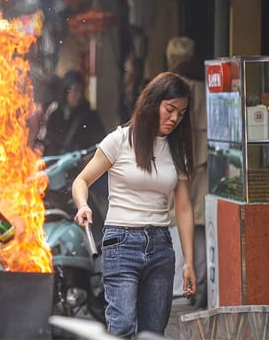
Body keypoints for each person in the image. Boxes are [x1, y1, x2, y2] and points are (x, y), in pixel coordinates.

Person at [71, 72, 197, 337]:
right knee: (123, 326)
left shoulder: (178, 150)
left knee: (153, 331)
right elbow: (81, 180)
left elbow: (184, 208)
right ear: (153, 103)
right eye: (170, 109)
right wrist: (83, 206)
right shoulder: (119, 140)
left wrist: (189, 263)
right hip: (121, 242)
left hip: (161, 245)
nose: (175, 118)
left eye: (181, 114)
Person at [166, 36, 208, 308]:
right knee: (201, 223)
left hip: (181, 163)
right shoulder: (206, 86)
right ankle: (201, 282)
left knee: (176, 218)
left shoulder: (174, 89)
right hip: (205, 164)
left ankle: (181, 287)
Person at [41, 69, 106, 156]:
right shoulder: (55, 112)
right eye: (76, 90)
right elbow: (49, 140)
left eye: (81, 91)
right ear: (66, 91)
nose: (78, 95)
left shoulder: (89, 114)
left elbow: (99, 141)